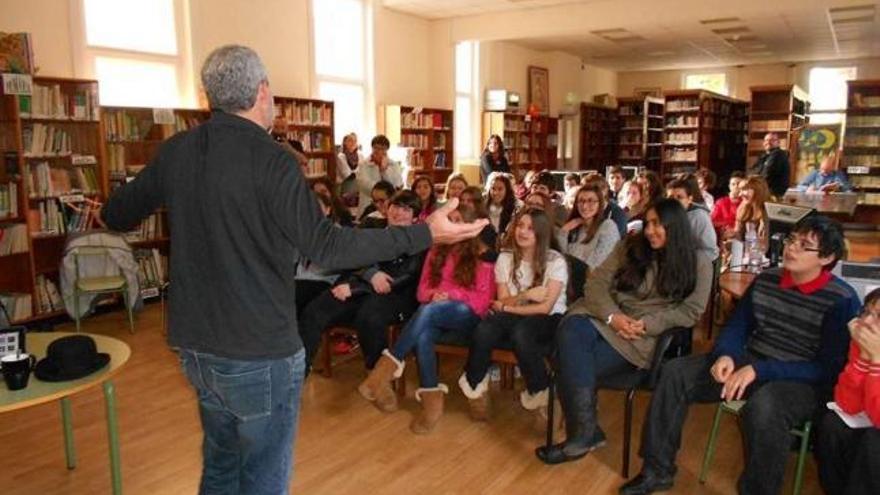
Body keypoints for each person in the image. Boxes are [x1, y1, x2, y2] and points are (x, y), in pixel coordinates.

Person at [98, 45, 486, 494]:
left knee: (222, 466)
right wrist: (423, 233)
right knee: (263, 478)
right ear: (263, 92)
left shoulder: (178, 150)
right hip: (257, 349)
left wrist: (106, 211)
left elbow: (118, 214)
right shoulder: (272, 159)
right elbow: (327, 244)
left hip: (195, 345)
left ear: (210, 98)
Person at [620, 215, 860, 495]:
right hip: (754, 362)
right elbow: (738, 326)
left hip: (804, 381)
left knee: (766, 406)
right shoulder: (768, 279)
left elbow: (827, 369)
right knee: (676, 373)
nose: (791, 248)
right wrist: (727, 355)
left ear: (827, 257)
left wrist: (760, 370)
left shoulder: (841, 299)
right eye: (791, 240)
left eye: (804, 245)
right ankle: (656, 470)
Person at [536, 199, 712, 465]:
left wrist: (647, 324)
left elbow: (691, 311)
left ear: (675, 227)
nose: (650, 230)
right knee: (571, 328)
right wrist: (611, 316)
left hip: (638, 334)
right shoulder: (631, 245)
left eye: (658, 224)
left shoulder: (698, 262)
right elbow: (595, 284)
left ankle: (586, 433)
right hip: (602, 314)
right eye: (648, 223)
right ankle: (583, 434)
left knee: (568, 359)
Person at [358, 207, 496, 434]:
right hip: (436, 309)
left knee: (429, 312)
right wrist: (435, 296)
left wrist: (450, 296)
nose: (451, 224)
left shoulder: (481, 252)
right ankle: (432, 402)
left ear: (468, 226)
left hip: (469, 316)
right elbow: (422, 292)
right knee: (424, 332)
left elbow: (482, 301)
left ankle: (385, 369)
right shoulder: (436, 250)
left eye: (457, 220)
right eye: (449, 219)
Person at [298, 191, 426, 372]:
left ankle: (377, 374)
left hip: (395, 296)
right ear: (387, 209)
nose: (399, 213)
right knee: (315, 310)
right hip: (356, 288)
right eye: (396, 207)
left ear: (415, 218)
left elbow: (398, 279)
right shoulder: (372, 231)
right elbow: (350, 258)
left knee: (370, 315)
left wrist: (356, 287)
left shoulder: (418, 243)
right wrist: (368, 275)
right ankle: (300, 369)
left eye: (407, 209)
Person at [461, 208, 567, 422]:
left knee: (522, 333)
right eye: (520, 226)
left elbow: (544, 308)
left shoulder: (556, 261)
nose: (523, 232)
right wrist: (526, 295)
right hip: (516, 312)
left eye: (530, 228)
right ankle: (475, 386)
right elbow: (502, 300)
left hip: (550, 318)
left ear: (541, 233)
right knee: (484, 329)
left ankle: (542, 394)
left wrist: (508, 307)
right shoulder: (505, 257)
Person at [816, 288, 880, 495]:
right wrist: (863, 358)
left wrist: (877, 361)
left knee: (873, 443)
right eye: (866, 312)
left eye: (879, 317)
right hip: (870, 414)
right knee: (832, 426)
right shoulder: (863, 341)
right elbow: (847, 404)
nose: (867, 322)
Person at [557, 183, 621, 278]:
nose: (585, 206)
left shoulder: (608, 227)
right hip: (570, 279)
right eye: (581, 201)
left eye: (591, 201)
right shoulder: (575, 228)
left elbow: (596, 264)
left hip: (595, 282)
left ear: (600, 204)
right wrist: (564, 231)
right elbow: (561, 258)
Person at [666, 174, 719, 260]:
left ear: (689, 199)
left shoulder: (699, 217)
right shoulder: (663, 214)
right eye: (671, 197)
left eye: (679, 197)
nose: (674, 201)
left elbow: (710, 251)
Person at [356, 134, 403, 214]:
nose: (378, 151)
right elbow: (364, 185)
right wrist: (382, 192)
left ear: (386, 150)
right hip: (368, 205)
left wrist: (384, 171)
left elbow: (396, 185)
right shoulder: (363, 164)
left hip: (388, 207)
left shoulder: (394, 165)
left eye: (382, 148)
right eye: (376, 148)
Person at [735, 175, 770, 251]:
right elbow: (737, 238)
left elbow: (764, 248)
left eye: (744, 190)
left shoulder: (768, 213)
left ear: (758, 190)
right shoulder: (742, 207)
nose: (740, 194)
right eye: (740, 190)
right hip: (743, 255)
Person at [750, 133, 790, 198]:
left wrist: (755, 179)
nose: (768, 142)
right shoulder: (764, 156)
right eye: (766, 140)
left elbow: (767, 174)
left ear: (778, 142)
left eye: (772, 140)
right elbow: (752, 170)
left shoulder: (778, 154)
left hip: (773, 194)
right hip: (763, 191)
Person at [711, 171, 745, 239]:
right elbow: (713, 221)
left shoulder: (746, 203)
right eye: (733, 184)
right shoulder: (721, 202)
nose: (736, 187)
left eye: (738, 184)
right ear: (729, 186)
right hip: (725, 236)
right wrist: (726, 226)